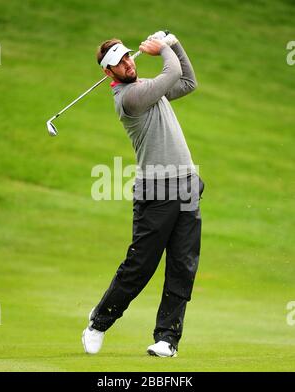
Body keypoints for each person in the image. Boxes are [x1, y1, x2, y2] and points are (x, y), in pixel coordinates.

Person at [82, 31, 204, 357]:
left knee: (183, 265)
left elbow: (189, 82)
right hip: (157, 190)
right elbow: (173, 72)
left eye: (125, 57)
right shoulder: (129, 99)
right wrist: (164, 48)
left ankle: (167, 338)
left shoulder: (150, 88)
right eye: (116, 64)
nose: (125, 64)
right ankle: (99, 322)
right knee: (140, 265)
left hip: (187, 184)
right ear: (108, 74)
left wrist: (176, 44)